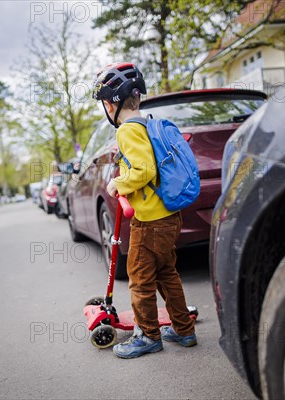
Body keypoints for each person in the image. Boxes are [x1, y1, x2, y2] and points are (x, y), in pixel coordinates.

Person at [92, 62, 197, 359]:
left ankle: (148, 335)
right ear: (137, 98)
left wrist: (118, 184)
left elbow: (144, 169)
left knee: (139, 279)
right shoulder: (147, 124)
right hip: (168, 216)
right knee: (167, 274)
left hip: (149, 221)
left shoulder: (127, 131)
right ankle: (183, 330)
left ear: (111, 104)